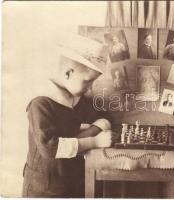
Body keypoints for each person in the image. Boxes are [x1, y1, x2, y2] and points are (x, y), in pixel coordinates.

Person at [22, 33, 113, 198]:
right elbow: (50, 148)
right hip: (44, 187)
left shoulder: (78, 98)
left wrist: (90, 130)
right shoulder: (40, 104)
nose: (90, 89)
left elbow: (105, 116)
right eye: (87, 82)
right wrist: (94, 141)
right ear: (67, 74)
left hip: (72, 182)